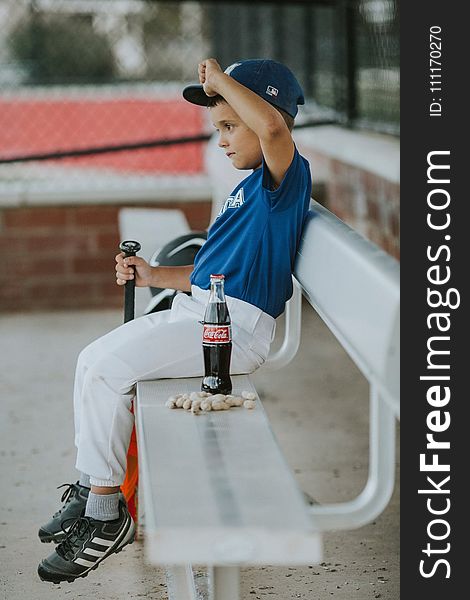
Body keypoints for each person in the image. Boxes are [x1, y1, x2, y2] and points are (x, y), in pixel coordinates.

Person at [37, 57, 312, 584]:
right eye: (218, 129)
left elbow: (274, 128)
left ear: (262, 117)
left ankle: (104, 509)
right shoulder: (247, 186)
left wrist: (222, 81)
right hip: (203, 313)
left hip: (231, 331)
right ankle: (92, 485)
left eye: (230, 126)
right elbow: (212, 271)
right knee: (93, 361)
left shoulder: (283, 177)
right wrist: (153, 275)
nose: (222, 140)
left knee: (102, 367)